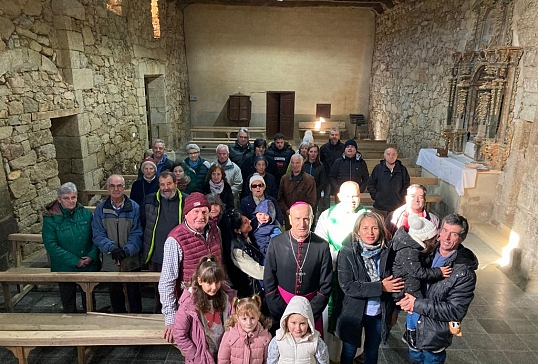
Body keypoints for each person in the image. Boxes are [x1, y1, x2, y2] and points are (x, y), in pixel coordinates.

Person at [397, 214, 478, 364]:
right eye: (445, 230)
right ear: (439, 231)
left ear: (462, 238)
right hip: (413, 320)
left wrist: (416, 304)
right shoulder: (425, 251)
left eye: (453, 234)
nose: (446, 238)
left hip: (434, 330)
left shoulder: (464, 272)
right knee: (414, 358)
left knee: (431, 360)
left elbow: (455, 311)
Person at [335, 212, 405, 364]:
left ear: (381, 229)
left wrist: (394, 310)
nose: (370, 233)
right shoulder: (348, 252)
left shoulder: (388, 250)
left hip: (379, 311)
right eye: (365, 228)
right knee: (349, 351)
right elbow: (348, 286)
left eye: (374, 228)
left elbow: (396, 283)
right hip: (353, 311)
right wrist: (380, 287)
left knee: (372, 351)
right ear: (357, 231)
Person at [314, 181, 368, 361]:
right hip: (333, 271)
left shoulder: (366, 216)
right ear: (339, 196)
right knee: (332, 314)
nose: (352, 200)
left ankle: (353, 352)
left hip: (357, 275)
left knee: (354, 314)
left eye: (356, 196)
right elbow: (320, 243)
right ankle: (330, 353)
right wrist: (340, 256)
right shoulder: (328, 215)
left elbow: (373, 242)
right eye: (348, 196)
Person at [159, 192, 223, 342]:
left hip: (215, 299)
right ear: (186, 214)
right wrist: (171, 318)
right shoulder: (175, 239)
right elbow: (167, 281)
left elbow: (220, 264)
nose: (201, 216)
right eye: (196, 212)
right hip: (191, 303)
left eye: (204, 212)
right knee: (197, 347)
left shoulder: (215, 231)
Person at [264, 202, 332, 334]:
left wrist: (308, 313)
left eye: (306, 218)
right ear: (290, 219)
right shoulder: (276, 243)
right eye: (297, 219)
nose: (302, 224)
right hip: (282, 306)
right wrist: (284, 313)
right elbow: (269, 282)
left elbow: (326, 285)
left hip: (312, 308)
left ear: (312, 219)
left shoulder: (322, 246)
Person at [392, 214, 451, 350]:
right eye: (433, 238)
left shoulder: (413, 246)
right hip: (406, 285)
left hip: (410, 282)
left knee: (414, 308)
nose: (436, 240)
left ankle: (411, 330)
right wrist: (439, 271)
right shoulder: (409, 251)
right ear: (425, 238)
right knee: (415, 307)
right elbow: (417, 272)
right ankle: (411, 332)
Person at [42, 182, 100, 313]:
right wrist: (75, 261)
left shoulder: (85, 214)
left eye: (73, 197)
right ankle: (70, 324)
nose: (70, 201)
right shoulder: (50, 219)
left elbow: (96, 236)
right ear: (59, 200)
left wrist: (91, 256)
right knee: (68, 299)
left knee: (89, 300)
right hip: (65, 267)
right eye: (66, 198)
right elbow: (51, 245)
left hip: (87, 265)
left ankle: (92, 323)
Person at [92, 174, 143, 313]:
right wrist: (112, 248)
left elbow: (137, 232)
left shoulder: (134, 208)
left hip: (130, 259)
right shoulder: (100, 210)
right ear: (108, 188)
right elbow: (98, 233)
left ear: (124, 188)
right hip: (111, 260)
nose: (116, 189)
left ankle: (136, 321)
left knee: (133, 295)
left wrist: (127, 250)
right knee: (115, 295)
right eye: (112, 186)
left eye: (119, 185)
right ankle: (118, 322)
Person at [172, 255, 236, 364]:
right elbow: (179, 334)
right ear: (200, 281)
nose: (214, 287)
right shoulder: (188, 304)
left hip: (223, 352)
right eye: (209, 283)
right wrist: (195, 355)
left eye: (217, 282)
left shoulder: (227, 298)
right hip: (202, 356)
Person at [140, 171, 186, 313]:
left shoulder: (185, 200)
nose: (166, 188)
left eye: (169, 184)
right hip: (157, 255)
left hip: (180, 255)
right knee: (159, 291)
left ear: (176, 183)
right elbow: (143, 223)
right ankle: (158, 318)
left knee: (180, 290)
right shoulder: (149, 200)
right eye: (162, 184)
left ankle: (180, 319)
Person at [266, 295, 330, 364]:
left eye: (302, 323)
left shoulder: (315, 341)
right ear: (286, 321)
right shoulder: (278, 339)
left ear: (309, 323)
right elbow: (271, 361)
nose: (298, 328)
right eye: (293, 323)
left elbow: (324, 361)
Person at [218, 295, 272, 364]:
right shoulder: (230, 335)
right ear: (237, 318)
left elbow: (267, 360)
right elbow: (223, 359)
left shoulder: (265, 336)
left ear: (258, 316)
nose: (249, 323)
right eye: (244, 319)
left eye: (252, 318)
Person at [227, 211, 265, 298]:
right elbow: (258, 272)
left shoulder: (250, 238)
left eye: (248, 219)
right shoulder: (238, 251)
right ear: (237, 230)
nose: (250, 221)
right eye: (245, 222)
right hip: (251, 293)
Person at [367, 147, 411, 218]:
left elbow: (406, 185)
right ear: (384, 155)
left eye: (394, 154)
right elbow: (371, 184)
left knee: (395, 228)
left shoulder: (402, 169)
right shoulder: (378, 168)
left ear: (397, 156)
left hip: (397, 206)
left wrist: (402, 197)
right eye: (388, 154)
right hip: (380, 206)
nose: (391, 156)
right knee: (380, 227)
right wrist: (376, 196)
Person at [277, 154, 317, 229]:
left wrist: (302, 211)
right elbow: (280, 198)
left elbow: (312, 200)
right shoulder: (284, 179)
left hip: (303, 216)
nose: (295, 165)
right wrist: (287, 210)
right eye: (293, 163)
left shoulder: (309, 180)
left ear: (302, 164)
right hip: (289, 215)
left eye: (297, 163)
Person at [319, 127, 345, 210]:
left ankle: (339, 212)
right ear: (329, 136)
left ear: (339, 136)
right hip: (327, 176)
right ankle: (326, 214)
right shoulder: (323, 148)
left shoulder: (344, 148)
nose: (334, 136)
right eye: (332, 135)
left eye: (336, 135)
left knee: (339, 197)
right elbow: (322, 160)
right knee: (326, 197)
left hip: (339, 177)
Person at [302, 144, 327, 218]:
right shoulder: (303, 165)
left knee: (312, 213)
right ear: (308, 153)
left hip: (315, 195)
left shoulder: (321, 166)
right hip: (303, 193)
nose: (313, 154)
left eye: (315, 152)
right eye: (311, 151)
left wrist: (315, 191)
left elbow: (323, 182)